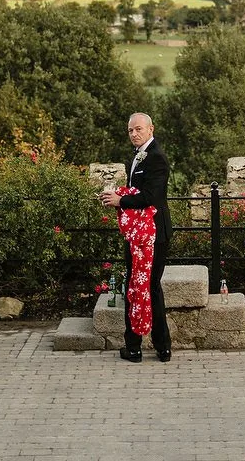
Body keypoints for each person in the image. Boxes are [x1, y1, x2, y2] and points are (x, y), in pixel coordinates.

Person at [99, 112, 171, 361]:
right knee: (135, 285)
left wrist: (121, 201)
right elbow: (137, 191)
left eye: (138, 129)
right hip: (137, 233)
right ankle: (140, 347)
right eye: (130, 130)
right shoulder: (139, 157)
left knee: (149, 286)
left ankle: (156, 347)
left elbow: (151, 197)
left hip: (154, 233)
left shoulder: (157, 158)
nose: (134, 134)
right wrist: (117, 196)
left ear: (151, 129)